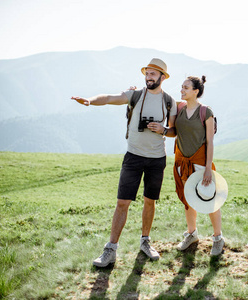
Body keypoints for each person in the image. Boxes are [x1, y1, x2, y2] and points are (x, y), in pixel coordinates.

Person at [71, 58, 177, 267]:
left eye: (153, 74)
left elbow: (173, 130)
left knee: (150, 201)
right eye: (147, 73)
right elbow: (111, 97)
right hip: (133, 157)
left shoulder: (169, 101)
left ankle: (145, 242)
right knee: (122, 203)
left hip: (157, 158)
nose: (148, 77)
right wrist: (90, 101)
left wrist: (162, 129)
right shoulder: (135, 95)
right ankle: (110, 250)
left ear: (162, 77)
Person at [173, 75, 224, 256]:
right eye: (182, 87)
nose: (182, 90)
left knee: (209, 199)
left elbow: (210, 141)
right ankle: (192, 234)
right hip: (181, 161)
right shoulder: (179, 108)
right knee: (188, 200)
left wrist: (208, 168)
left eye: (186, 87)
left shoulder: (206, 112)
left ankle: (218, 238)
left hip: (201, 161)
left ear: (196, 91)